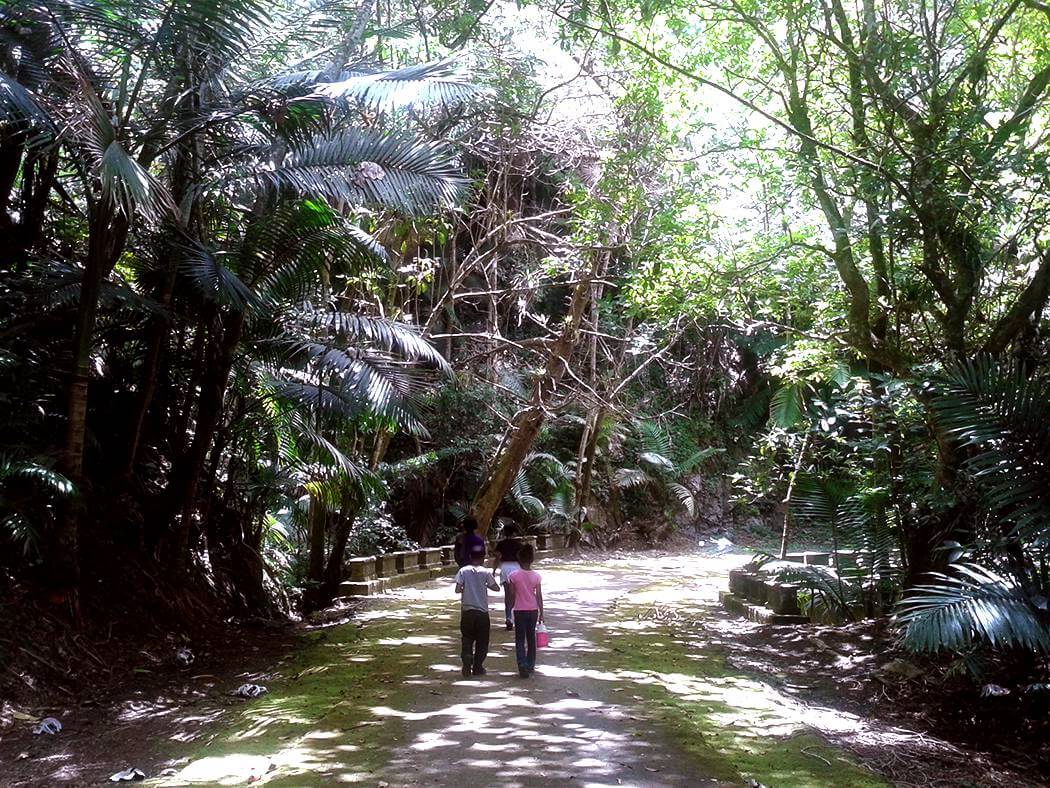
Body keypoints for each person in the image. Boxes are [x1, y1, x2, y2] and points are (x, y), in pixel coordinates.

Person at [454, 543, 500, 677]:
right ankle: (478, 666)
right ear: (483, 558)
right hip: (482, 612)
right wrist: (485, 583)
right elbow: (496, 588)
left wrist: (466, 589)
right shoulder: (485, 572)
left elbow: (457, 589)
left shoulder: (463, 571)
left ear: (470, 557)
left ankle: (467, 656)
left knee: (467, 637)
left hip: (467, 611)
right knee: (482, 641)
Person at [506, 543, 543, 678]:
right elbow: (539, 595)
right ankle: (531, 664)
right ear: (532, 560)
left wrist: (509, 609)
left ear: (519, 560)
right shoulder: (536, 576)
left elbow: (512, 595)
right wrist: (542, 613)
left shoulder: (513, 575)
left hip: (519, 610)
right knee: (531, 638)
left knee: (520, 639)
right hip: (533, 610)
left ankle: (522, 663)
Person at [494, 525, 523, 630]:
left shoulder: (501, 544)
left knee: (507, 595)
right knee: (516, 595)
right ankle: (515, 617)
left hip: (505, 567)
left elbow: (497, 557)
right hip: (516, 568)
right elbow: (521, 559)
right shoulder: (519, 545)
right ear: (514, 533)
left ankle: (508, 618)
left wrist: (493, 571)